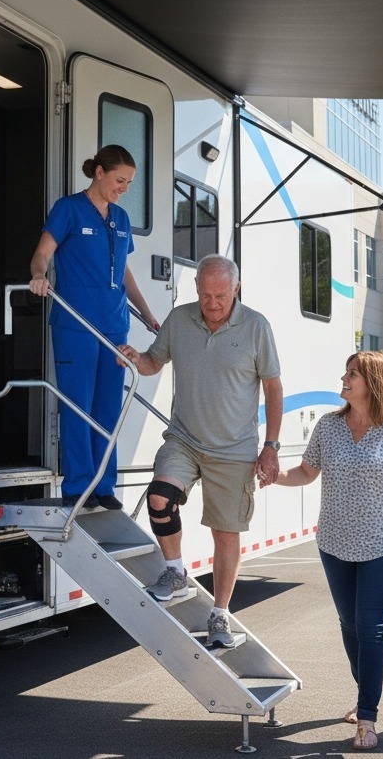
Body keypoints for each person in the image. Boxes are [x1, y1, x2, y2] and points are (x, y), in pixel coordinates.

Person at [259, 350, 383, 751]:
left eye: (353, 374)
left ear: (374, 382)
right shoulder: (328, 426)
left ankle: (368, 716)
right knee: (349, 626)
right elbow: (307, 472)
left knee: (371, 626)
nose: (344, 378)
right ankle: (364, 689)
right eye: (346, 372)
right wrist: (274, 475)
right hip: (334, 543)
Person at [117, 254, 282, 648]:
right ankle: (175, 571)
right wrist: (138, 359)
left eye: (220, 295)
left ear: (236, 289)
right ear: (196, 290)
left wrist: (271, 447)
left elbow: (273, 389)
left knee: (225, 533)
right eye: (205, 294)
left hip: (235, 449)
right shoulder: (180, 319)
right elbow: (155, 361)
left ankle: (220, 614)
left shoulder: (257, 326)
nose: (212, 303)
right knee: (159, 498)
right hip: (185, 439)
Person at [29, 145, 159, 510]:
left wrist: (147, 312)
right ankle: (79, 486)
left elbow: (125, 273)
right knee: (78, 408)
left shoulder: (120, 218)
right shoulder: (68, 209)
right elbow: (43, 252)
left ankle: (105, 486)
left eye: (130, 183)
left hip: (115, 326)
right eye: (120, 180)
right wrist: (39, 275)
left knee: (107, 410)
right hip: (76, 324)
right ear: (99, 172)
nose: (124, 188)